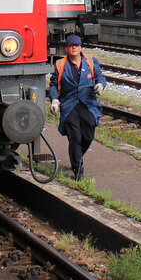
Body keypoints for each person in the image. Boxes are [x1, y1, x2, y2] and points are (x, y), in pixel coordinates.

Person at [48, 34, 107, 180]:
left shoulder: (91, 62)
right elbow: (54, 84)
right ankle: (78, 169)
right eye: (70, 46)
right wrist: (55, 100)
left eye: (76, 45)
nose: (73, 48)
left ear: (80, 47)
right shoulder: (60, 65)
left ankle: (77, 155)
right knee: (75, 137)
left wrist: (100, 85)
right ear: (66, 48)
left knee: (88, 135)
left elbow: (100, 77)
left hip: (88, 103)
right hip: (70, 104)